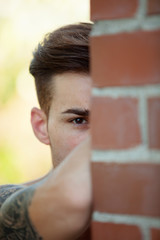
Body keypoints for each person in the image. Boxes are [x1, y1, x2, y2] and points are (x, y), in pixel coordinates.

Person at [0, 22, 93, 239]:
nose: (100, 139)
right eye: (79, 120)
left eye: (113, 120)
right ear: (41, 127)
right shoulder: (6, 203)